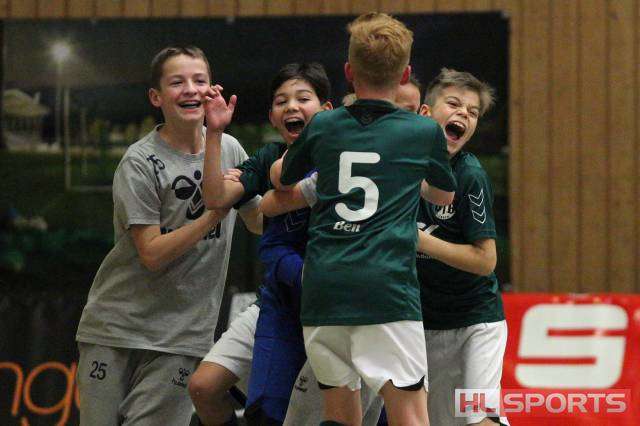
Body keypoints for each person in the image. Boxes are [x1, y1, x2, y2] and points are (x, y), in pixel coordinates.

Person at [277, 13, 457, 426]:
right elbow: (444, 194)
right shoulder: (421, 131)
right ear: (405, 74)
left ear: (349, 72)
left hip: (324, 289)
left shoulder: (323, 125)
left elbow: (286, 177)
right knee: (411, 416)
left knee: (339, 416)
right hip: (386, 289)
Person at [74, 46, 261, 426]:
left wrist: (298, 187)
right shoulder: (139, 162)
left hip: (183, 336)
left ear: (213, 90)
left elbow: (257, 221)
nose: (190, 89)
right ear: (156, 97)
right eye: (177, 82)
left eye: (199, 80)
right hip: (115, 328)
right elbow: (152, 253)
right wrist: (215, 213)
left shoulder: (229, 149)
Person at [189, 63, 334, 426]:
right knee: (205, 388)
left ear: (327, 110)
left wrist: (274, 201)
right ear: (272, 116)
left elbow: (268, 209)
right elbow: (216, 197)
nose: (292, 107)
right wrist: (214, 133)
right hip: (280, 301)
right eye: (282, 101)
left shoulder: (343, 159)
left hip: (334, 305)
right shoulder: (269, 157)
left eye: (303, 98)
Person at [415, 68, 509, 426]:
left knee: (478, 418)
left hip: (476, 321)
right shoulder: (401, 166)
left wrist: (420, 240)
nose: (463, 115)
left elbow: (486, 261)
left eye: (472, 112)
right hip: (423, 324)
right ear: (426, 113)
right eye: (454, 104)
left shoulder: (470, 176)